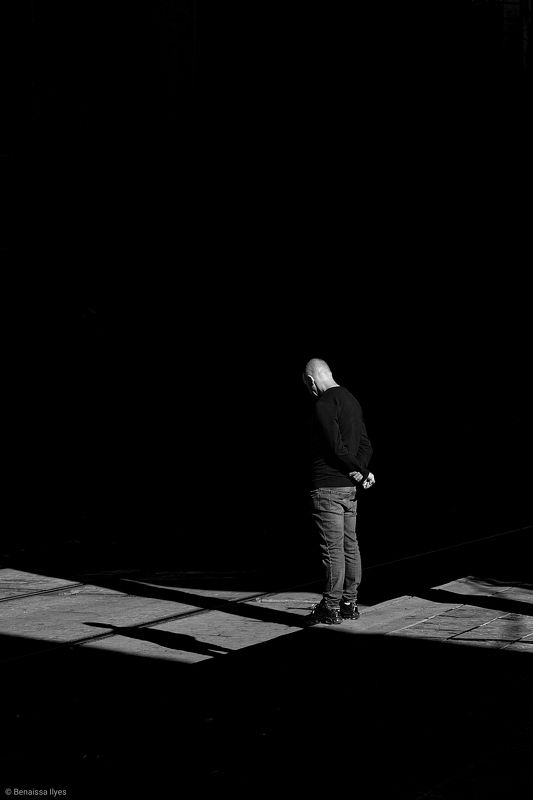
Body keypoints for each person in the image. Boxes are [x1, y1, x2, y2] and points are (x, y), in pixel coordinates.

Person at [302, 358, 375, 625]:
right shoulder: (352, 400)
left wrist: (362, 472)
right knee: (350, 546)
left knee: (333, 549)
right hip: (348, 488)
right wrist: (360, 470)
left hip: (327, 488)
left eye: (307, 386)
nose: (309, 391)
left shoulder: (323, 403)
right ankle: (349, 603)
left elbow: (335, 447)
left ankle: (330, 607)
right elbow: (365, 444)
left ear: (311, 380)